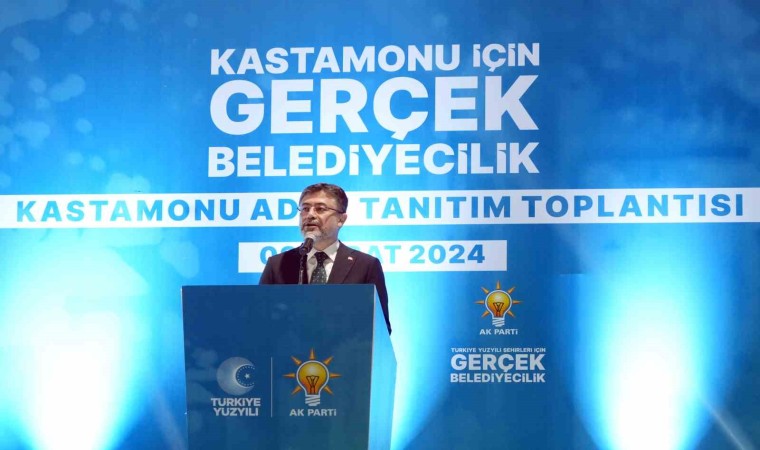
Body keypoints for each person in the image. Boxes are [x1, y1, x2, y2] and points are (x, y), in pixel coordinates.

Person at [259, 183, 391, 334]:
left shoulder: (365, 266)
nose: (310, 215)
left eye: (320, 209)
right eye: (305, 209)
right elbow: (259, 320)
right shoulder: (277, 265)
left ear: (341, 219)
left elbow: (380, 328)